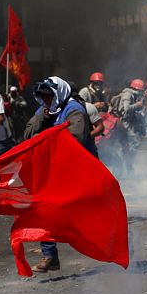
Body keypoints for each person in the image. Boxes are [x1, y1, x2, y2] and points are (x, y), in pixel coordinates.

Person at [30, 76, 95, 272]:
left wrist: (48, 138)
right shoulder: (45, 110)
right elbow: (27, 134)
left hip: (80, 172)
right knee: (42, 209)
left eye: (49, 96)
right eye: (44, 97)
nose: (47, 101)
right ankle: (50, 256)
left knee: (92, 215)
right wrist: (43, 117)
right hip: (55, 171)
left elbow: (74, 140)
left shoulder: (74, 110)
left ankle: (120, 246)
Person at [117, 78, 146, 173]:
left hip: (128, 122)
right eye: (141, 90)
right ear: (136, 88)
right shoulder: (128, 94)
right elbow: (126, 108)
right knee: (133, 143)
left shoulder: (133, 94)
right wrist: (137, 105)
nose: (141, 92)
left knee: (128, 145)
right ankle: (124, 164)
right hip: (124, 123)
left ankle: (126, 165)